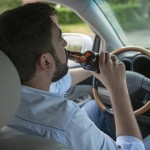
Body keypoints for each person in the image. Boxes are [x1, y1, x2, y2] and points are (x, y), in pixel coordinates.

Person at [0, 2, 145, 150]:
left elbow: (57, 85)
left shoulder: (9, 96)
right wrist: (118, 88)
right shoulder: (65, 121)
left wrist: (92, 69)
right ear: (45, 61)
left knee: (94, 106)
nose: (65, 42)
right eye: (59, 38)